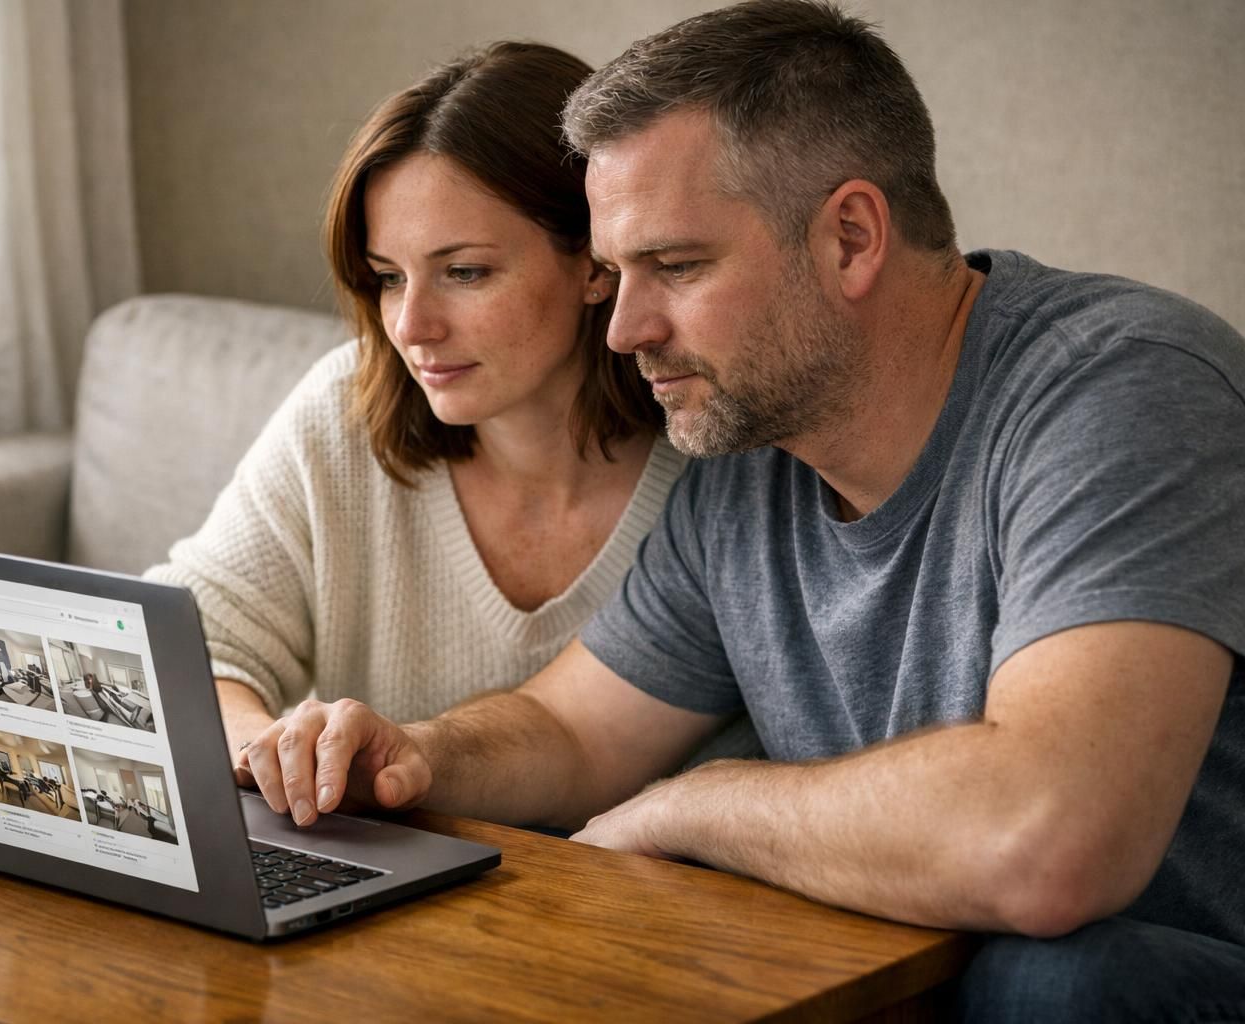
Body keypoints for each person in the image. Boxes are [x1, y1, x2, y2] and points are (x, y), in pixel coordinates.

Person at [236, 2, 1245, 1018]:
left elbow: (1047, 844)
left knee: (1053, 983)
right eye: (619, 272)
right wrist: (416, 756)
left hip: (1164, 970)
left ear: (851, 236)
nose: (626, 328)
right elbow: (573, 732)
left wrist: (700, 804)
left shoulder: (1118, 389)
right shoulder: (746, 463)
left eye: (676, 266)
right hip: (924, 982)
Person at [144, 43, 690, 762]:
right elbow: (179, 648)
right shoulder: (346, 411)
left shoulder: (713, 443)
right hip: (405, 866)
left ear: (595, 262)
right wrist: (273, 758)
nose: (411, 327)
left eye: (464, 272)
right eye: (389, 277)